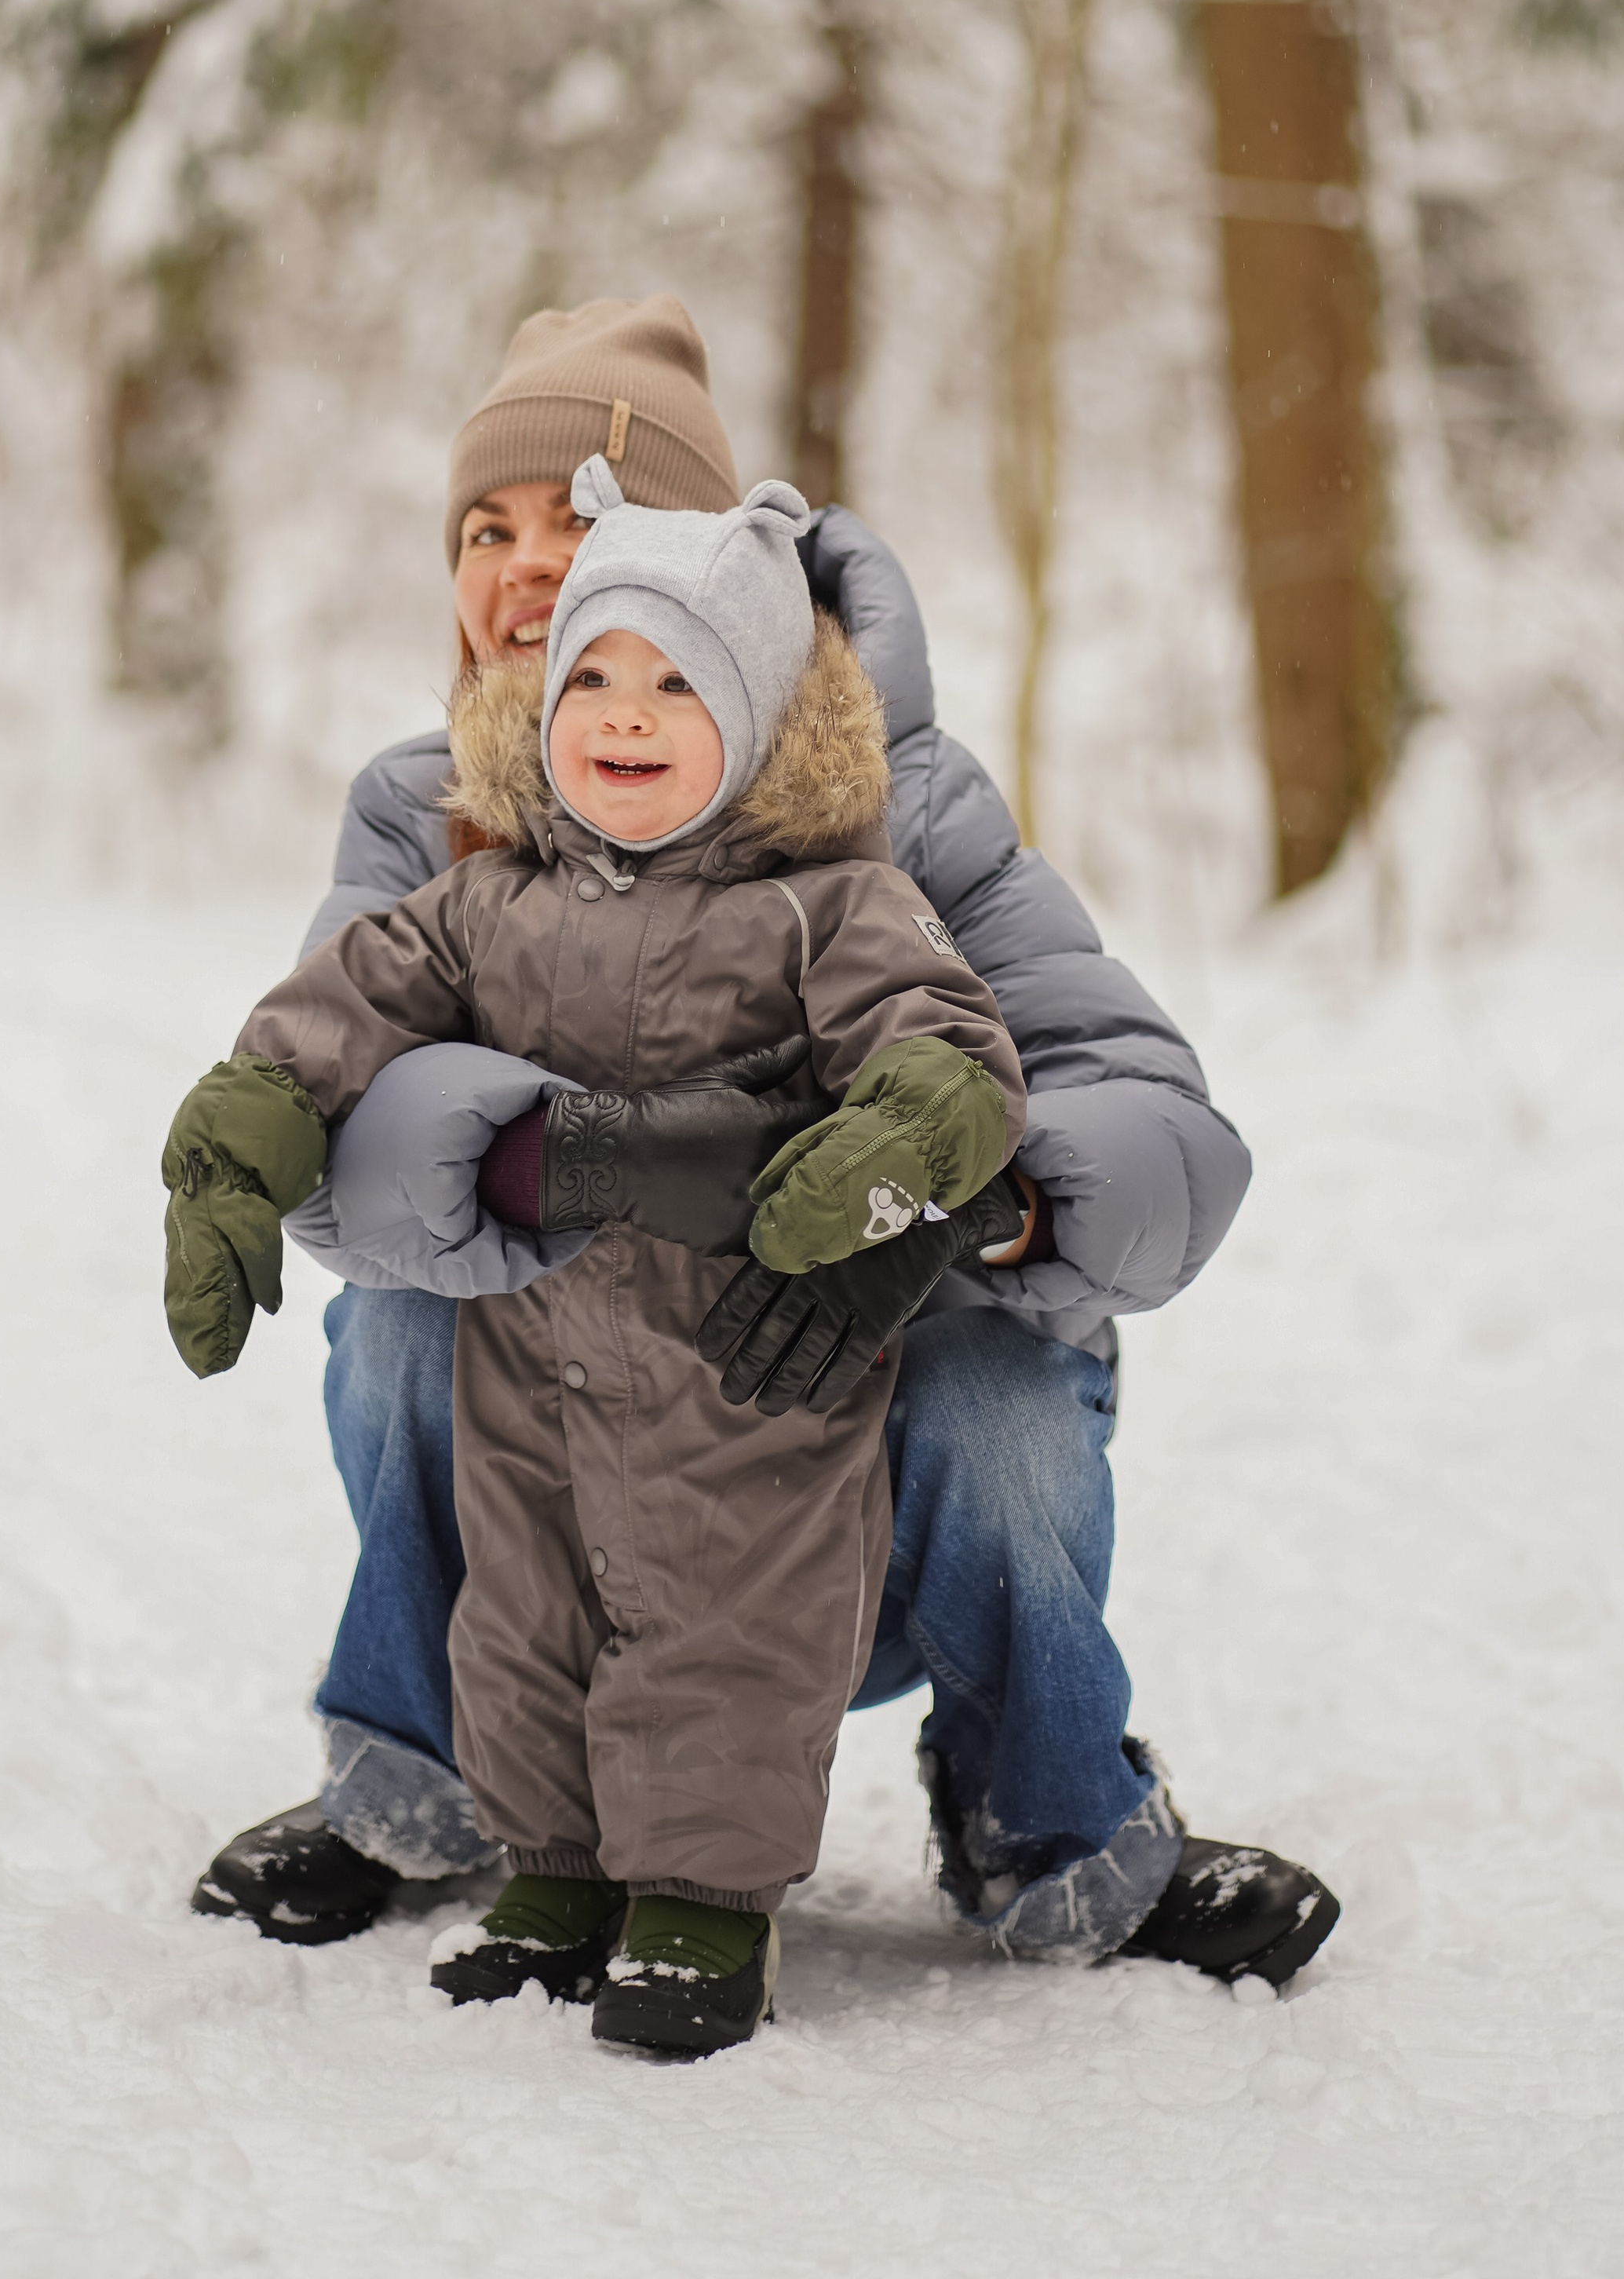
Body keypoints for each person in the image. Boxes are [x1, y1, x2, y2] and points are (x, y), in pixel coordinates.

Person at [183, 296, 1338, 1990]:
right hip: (556, 1434)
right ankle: (425, 1789)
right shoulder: (423, 813)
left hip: (823, 1416)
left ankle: (1053, 1828)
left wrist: (959, 1207)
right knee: (405, 1333)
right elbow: (341, 1127)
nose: (527, 565)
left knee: (1005, 1397)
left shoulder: (908, 805)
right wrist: (578, 1160)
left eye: (577, 517)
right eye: (484, 530)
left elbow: (1154, 1116)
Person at [167, 458, 1031, 2052]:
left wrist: (898, 1145)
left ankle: (704, 1901)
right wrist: (237, 1146)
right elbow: (340, 1008)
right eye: (594, 679)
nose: (626, 715)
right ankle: (554, 1871)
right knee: (525, 1614)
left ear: (760, 721)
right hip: (533, 1361)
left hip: (747, 1372)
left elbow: (948, 1040)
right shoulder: (489, 900)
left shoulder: (827, 905)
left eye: (678, 684)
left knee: (725, 1629)